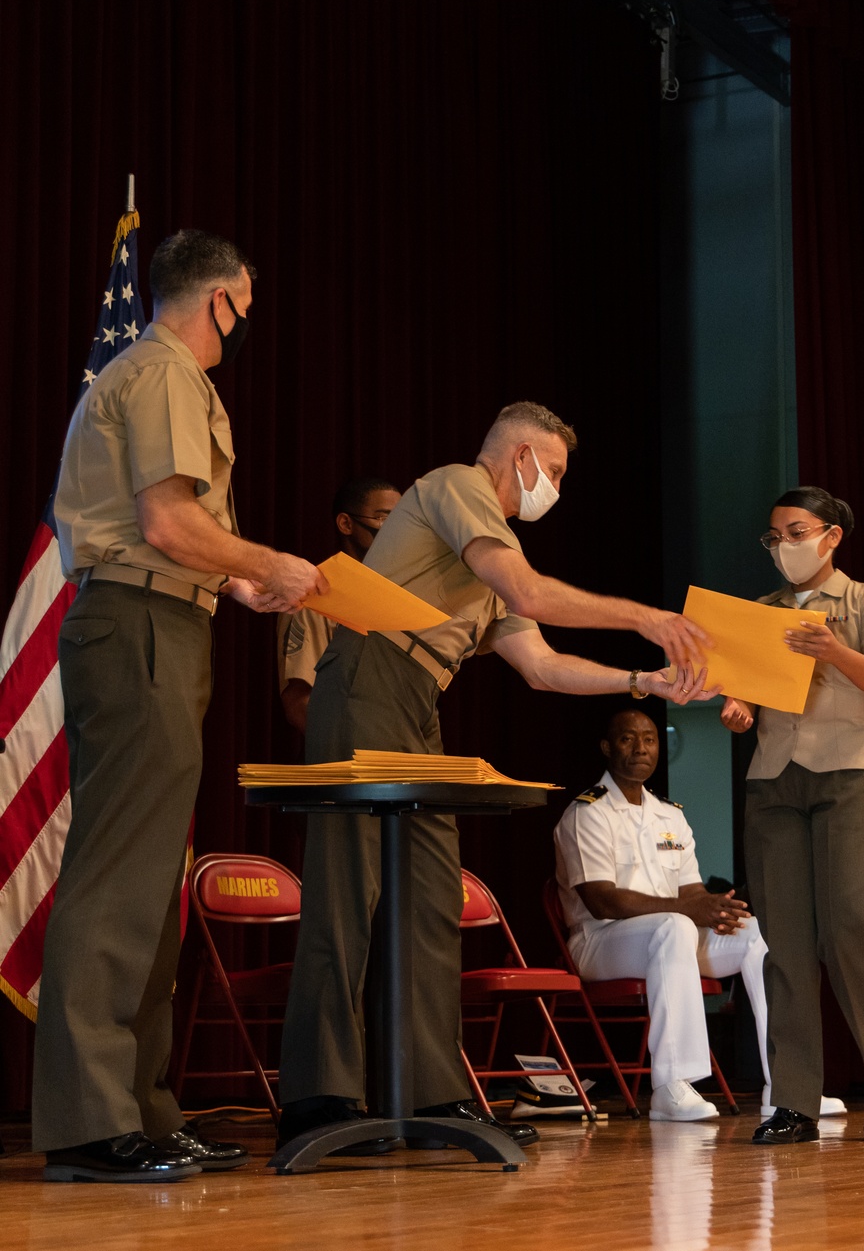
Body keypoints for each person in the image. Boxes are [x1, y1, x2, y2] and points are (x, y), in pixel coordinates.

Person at [278, 400, 712, 1150]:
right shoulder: (458, 486)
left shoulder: (488, 553)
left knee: (429, 893)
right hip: (367, 674)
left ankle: (430, 1091)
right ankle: (320, 1093)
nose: (556, 487)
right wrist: (648, 617)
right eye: (554, 470)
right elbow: (533, 593)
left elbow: (540, 666)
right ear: (518, 456)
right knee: (350, 887)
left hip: (420, 697)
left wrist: (643, 680)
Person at [33, 229, 326, 1183]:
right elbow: (166, 522)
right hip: (137, 626)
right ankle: (88, 1121)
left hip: (167, 621)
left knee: (154, 874)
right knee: (121, 871)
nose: (248, 321)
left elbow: (172, 533)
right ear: (223, 298)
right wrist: (265, 563)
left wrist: (239, 584)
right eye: (247, 303)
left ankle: (143, 1107)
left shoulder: (168, 378)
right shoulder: (160, 371)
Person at [721, 486, 864, 1144]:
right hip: (775, 779)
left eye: (795, 532)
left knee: (848, 927)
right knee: (786, 946)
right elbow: (743, 691)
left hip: (853, 773)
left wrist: (834, 651)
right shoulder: (762, 610)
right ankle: (794, 1100)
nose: (783, 546)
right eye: (774, 536)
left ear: (831, 536)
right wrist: (738, 707)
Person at [554, 707, 847, 1122]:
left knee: (752, 933)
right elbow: (603, 901)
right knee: (674, 926)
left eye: (650, 739)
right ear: (607, 747)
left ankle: (787, 1085)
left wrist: (716, 910)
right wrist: (689, 910)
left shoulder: (669, 814)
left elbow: (690, 891)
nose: (641, 748)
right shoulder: (587, 813)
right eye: (627, 739)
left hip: (666, 938)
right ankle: (671, 1086)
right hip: (600, 941)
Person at [277, 477, 400, 734]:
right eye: (384, 519)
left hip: (398, 754)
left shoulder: (398, 596)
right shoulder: (315, 596)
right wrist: (350, 748)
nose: (396, 531)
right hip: (349, 761)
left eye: (402, 521)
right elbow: (298, 701)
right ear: (346, 523)